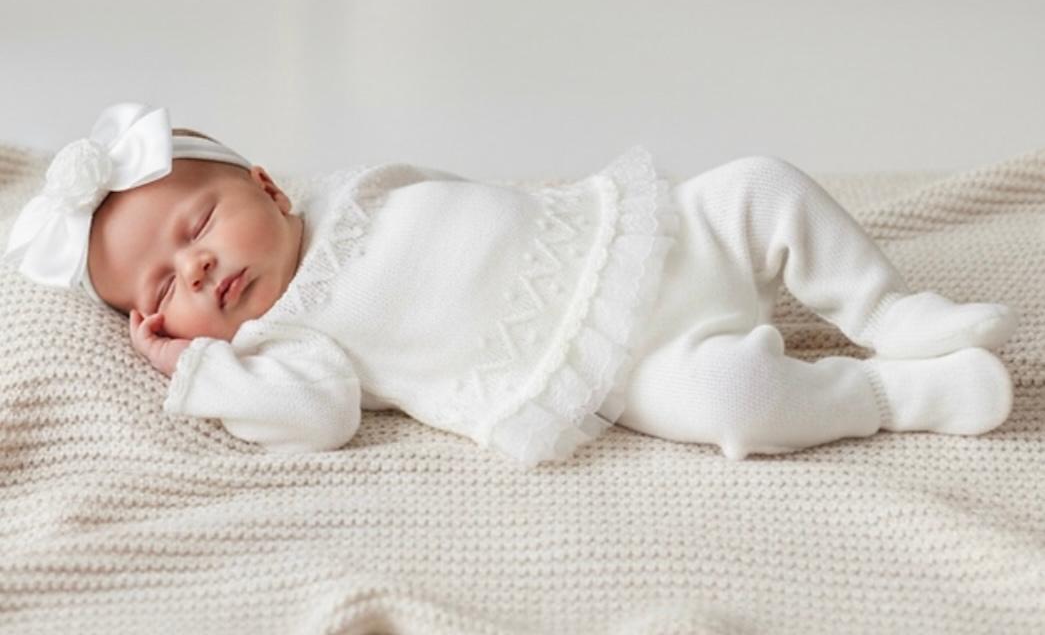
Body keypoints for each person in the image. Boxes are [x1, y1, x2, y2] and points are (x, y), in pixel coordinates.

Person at [4, 102, 1017, 467]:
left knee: (761, 182)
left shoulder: (347, 190)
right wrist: (194, 368)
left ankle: (891, 314)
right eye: (160, 290)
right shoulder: (286, 343)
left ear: (267, 185)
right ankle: (895, 393)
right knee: (734, 400)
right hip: (623, 364)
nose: (194, 269)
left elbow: (471, 197)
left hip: (639, 237)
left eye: (194, 228)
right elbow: (317, 419)